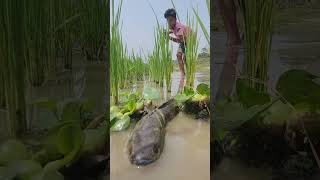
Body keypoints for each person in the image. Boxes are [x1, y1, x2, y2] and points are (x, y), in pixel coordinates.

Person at [164, 8, 192, 77]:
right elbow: (173, 30)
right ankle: (182, 73)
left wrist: (169, 38)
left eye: (171, 20)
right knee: (178, 55)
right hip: (183, 39)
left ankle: (189, 72)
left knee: (185, 57)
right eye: (167, 20)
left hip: (190, 39)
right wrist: (168, 32)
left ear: (175, 19)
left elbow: (180, 41)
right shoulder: (172, 26)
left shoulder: (178, 27)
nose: (169, 22)